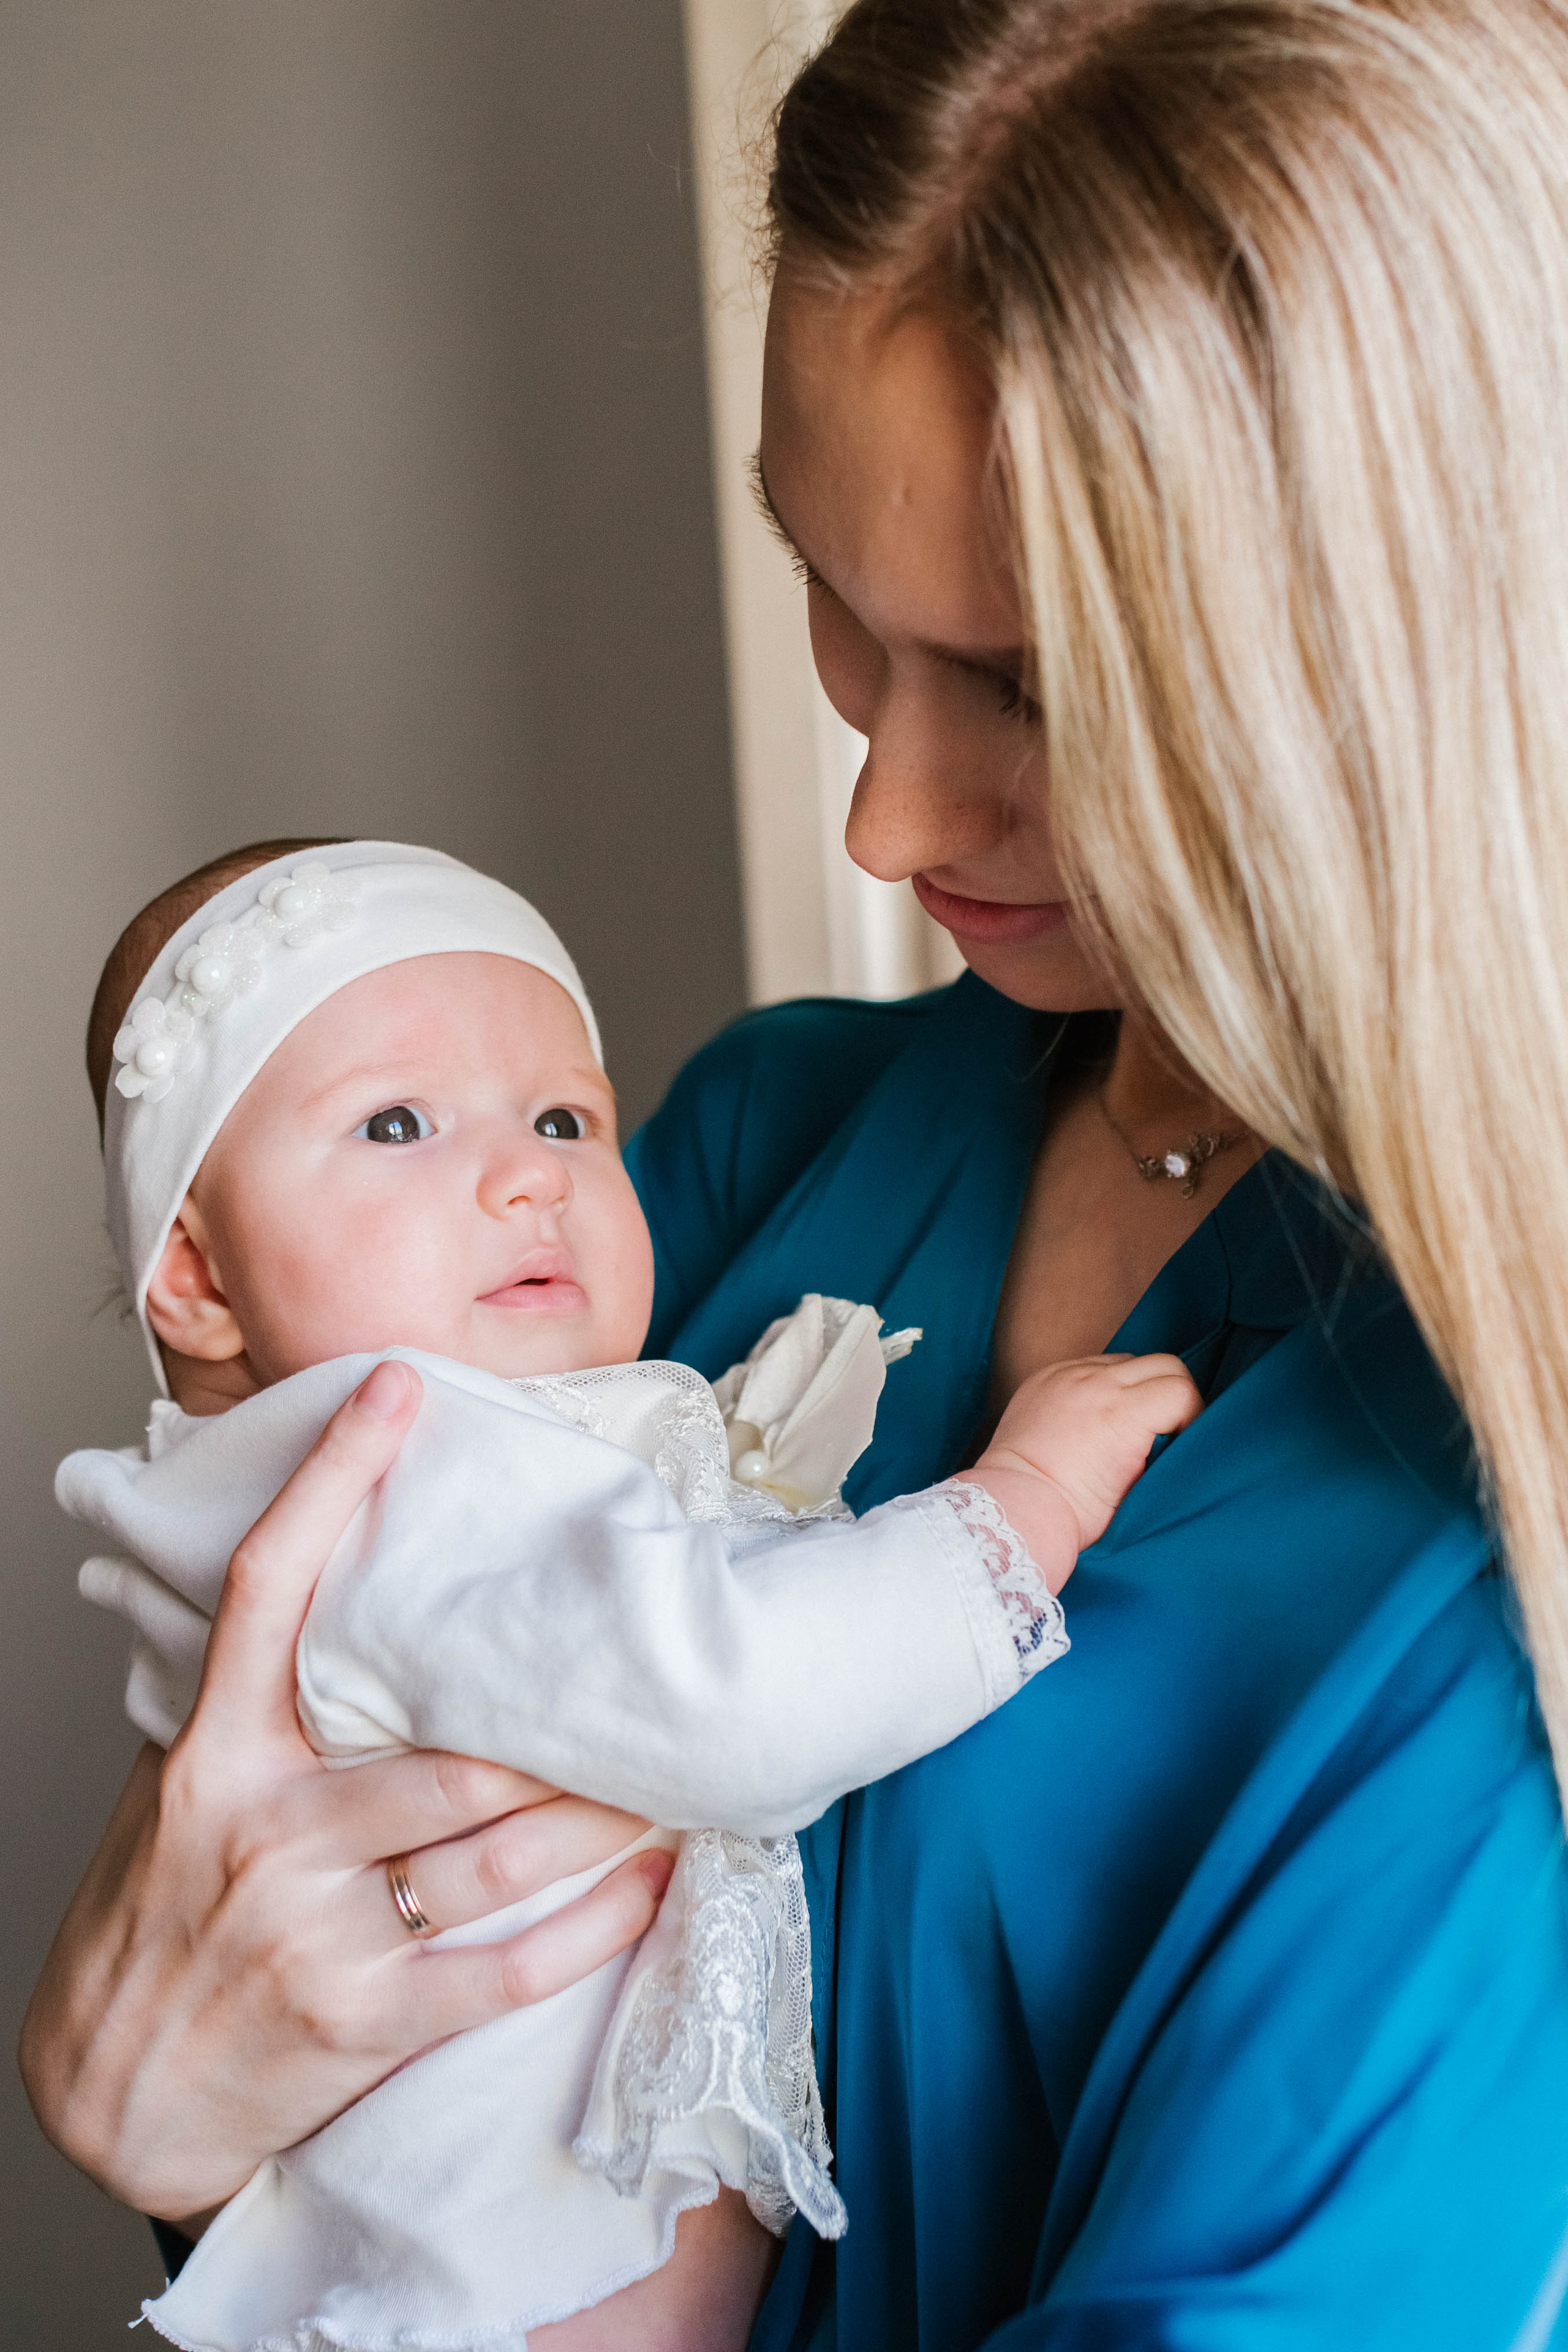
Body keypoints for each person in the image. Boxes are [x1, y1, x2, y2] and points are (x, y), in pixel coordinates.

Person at [23, 0, 1568, 2343]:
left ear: (1388, 656)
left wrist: (173, 2099)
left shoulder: (1478, 1520)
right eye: (835, 597)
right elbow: (365, 1905)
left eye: (1027, 684)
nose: (885, 821)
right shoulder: (756, 1146)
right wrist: (180, 2127)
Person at [53, 833, 1193, 2352]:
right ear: (196, 1277)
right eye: (396, 1122)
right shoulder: (406, 1473)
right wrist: (1020, 1504)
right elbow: (736, 1693)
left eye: (562, 1117)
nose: (530, 1173)